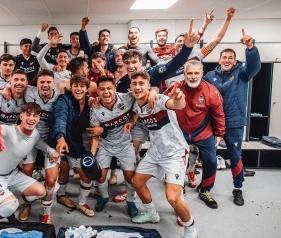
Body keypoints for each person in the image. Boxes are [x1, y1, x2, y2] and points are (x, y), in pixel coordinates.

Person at [125, 71, 197, 238]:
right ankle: (152, 214)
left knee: (172, 198)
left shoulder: (159, 100)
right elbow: (137, 111)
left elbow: (176, 104)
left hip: (175, 152)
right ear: (130, 87)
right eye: (134, 84)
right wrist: (132, 121)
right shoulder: (136, 104)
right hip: (155, 151)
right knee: (136, 181)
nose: (137, 87)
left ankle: (190, 230)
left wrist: (179, 99)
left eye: (141, 83)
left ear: (149, 86)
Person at [0, 102, 60, 222]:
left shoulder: (35, 134)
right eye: (28, 115)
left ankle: (4, 207)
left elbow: (41, 145)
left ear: (39, 118)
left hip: (10, 175)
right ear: (21, 116)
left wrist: (52, 151)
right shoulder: (8, 131)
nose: (31, 119)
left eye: (35, 116)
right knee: (12, 205)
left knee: (41, 191)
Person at [203, 28, 261, 206]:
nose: (227, 60)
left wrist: (250, 48)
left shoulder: (242, 74)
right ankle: (205, 189)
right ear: (219, 60)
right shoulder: (209, 76)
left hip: (234, 124)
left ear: (234, 60)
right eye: (224, 57)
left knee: (236, 157)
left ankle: (238, 188)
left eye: (230, 57)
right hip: (213, 125)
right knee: (210, 159)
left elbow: (254, 66)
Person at [3, 69, 61, 224]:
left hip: (48, 141)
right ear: (36, 84)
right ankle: (26, 204)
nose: (45, 85)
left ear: (54, 84)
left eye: (49, 82)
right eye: (42, 82)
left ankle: (47, 212)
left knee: (51, 179)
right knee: (27, 172)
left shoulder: (59, 97)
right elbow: (15, 85)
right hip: (29, 138)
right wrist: (6, 88)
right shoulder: (29, 92)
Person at [170, 60, 225, 210]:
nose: (193, 76)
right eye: (190, 73)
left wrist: (220, 133)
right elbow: (163, 104)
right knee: (177, 162)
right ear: (184, 74)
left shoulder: (211, 91)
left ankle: (205, 190)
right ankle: (179, 186)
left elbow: (219, 114)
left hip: (203, 131)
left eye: (196, 73)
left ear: (202, 74)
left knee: (211, 161)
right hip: (180, 132)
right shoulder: (176, 88)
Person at [48, 75, 97, 218]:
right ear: (71, 87)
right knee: (62, 166)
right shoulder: (63, 100)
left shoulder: (91, 103)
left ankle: (81, 202)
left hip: (76, 144)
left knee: (86, 176)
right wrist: (60, 137)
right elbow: (60, 118)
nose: (78, 89)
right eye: (75, 85)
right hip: (58, 141)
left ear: (87, 89)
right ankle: (61, 195)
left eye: (82, 86)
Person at [89, 76, 138, 217]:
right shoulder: (95, 109)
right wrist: (92, 152)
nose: (106, 92)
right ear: (97, 92)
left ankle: (130, 201)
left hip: (124, 144)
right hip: (106, 145)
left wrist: (133, 121)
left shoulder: (127, 98)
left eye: (109, 88)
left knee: (130, 177)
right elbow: (96, 134)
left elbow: (143, 98)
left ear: (115, 89)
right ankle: (104, 197)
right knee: (100, 177)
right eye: (102, 89)